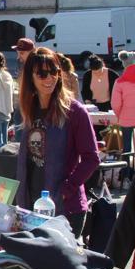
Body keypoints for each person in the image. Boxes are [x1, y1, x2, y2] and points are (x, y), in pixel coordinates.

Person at [16, 47, 99, 236]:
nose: (49, 78)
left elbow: (91, 157)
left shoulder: (75, 111)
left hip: (65, 209)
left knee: (57, 265)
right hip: (30, 207)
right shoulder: (29, 109)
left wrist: (67, 189)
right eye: (42, 74)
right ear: (31, 78)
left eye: (54, 71)